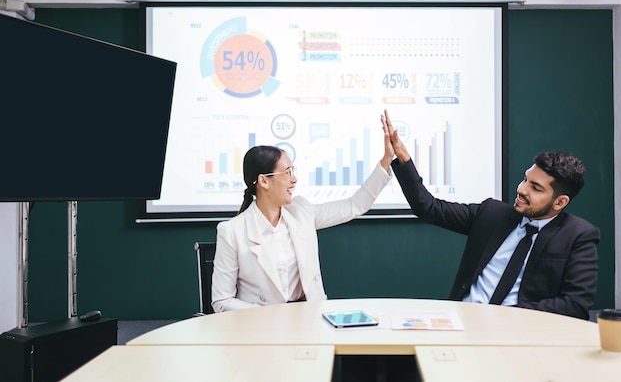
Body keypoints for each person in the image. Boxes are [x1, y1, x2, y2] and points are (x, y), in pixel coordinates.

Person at [382, 109, 600, 320]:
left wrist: (508, 316)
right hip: (463, 322)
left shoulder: (578, 236)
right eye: (525, 180)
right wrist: (402, 157)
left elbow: (575, 305)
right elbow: (427, 207)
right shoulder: (491, 214)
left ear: (560, 202)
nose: (522, 189)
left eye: (536, 188)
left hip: (520, 332)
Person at [211, 132, 393, 313]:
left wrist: (386, 160)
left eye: (293, 171)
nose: (294, 179)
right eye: (287, 172)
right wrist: (264, 316)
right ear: (263, 181)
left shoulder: (301, 211)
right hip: (262, 327)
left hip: (309, 318)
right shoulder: (232, 231)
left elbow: (354, 205)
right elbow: (222, 301)